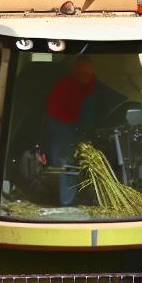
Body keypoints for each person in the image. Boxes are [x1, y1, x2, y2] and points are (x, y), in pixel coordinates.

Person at [45, 56, 98, 204]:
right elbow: (57, 112)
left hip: (76, 122)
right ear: (74, 71)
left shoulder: (92, 86)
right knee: (65, 160)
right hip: (60, 122)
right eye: (82, 74)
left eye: (88, 74)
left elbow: (88, 113)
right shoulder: (64, 85)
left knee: (74, 159)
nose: (85, 77)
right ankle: (67, 201)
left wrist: (85, 131)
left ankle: (76, 195)